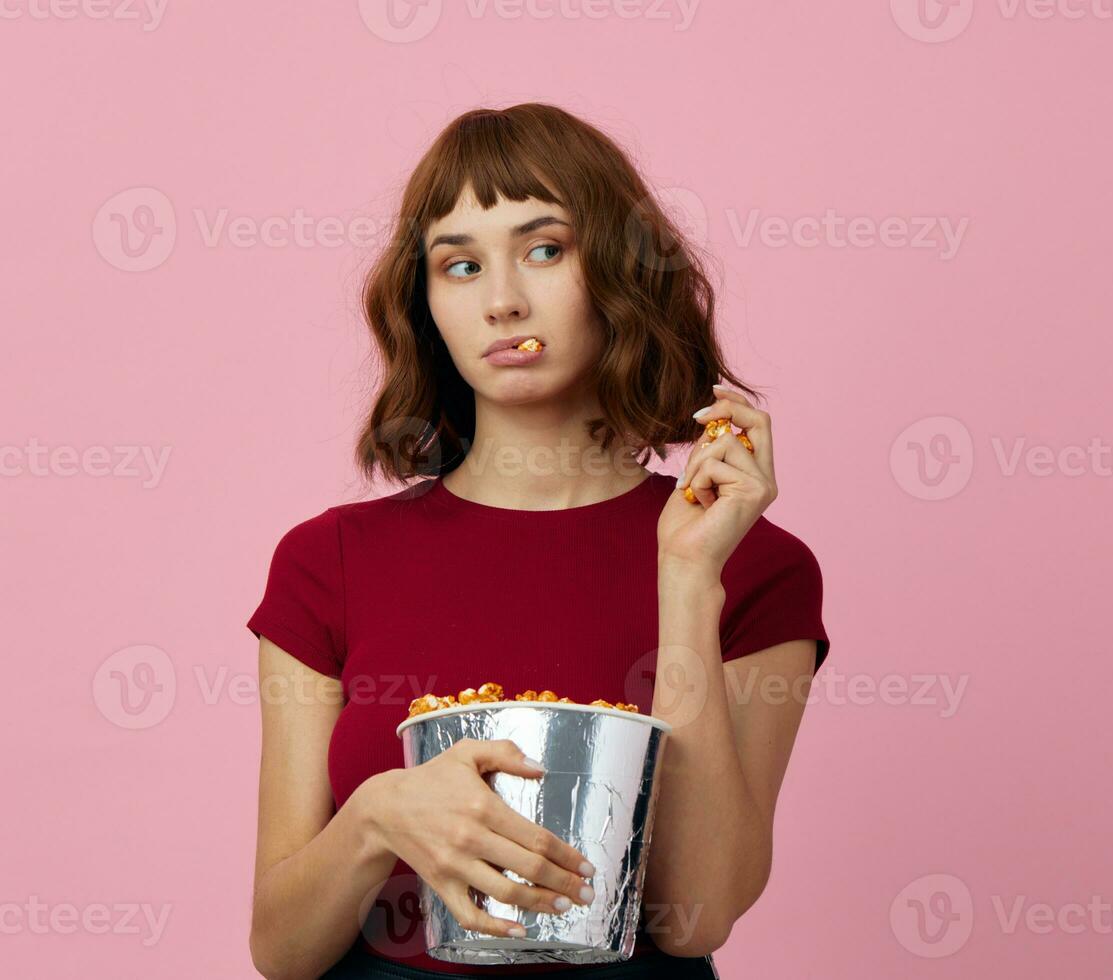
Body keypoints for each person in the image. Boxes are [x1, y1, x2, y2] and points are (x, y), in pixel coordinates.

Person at [245, 104, 831, 979]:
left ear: (622, 272)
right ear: (426, 302)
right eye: (460, 264)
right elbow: (280, 948)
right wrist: (378, 817)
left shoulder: (752, 565)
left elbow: (698, 914)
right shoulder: (326, 562)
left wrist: (686, 578)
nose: (502, 299)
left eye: (546, 249)